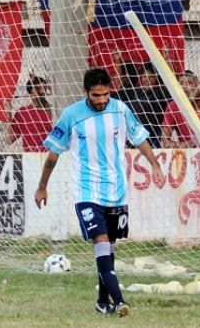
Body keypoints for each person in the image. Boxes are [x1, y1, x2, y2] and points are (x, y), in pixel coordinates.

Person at [35, 68, 164, 318]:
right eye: (96, 95)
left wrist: (155, 164)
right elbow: (53, 154)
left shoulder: (120, 109)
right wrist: (42, 186)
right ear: (87, 92)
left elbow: (139, 138)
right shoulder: (71, 115)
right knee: (102, 241)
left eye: (105, 94)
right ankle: (119, 301)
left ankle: (101, 301)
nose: (102, 99)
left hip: (116, 190)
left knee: (109, 248)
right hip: (86, 191)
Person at [160, 70, 200, 148]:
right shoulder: (173, 106)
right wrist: (186, 144)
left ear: (197, 84)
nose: (184, 87)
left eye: (189, 83)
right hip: (191, 152)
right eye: (181, 84)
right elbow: (165, 142)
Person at [6, 74, 53, 152]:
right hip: (31, 158)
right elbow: (9, 140)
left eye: (43, 88)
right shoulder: (23, 113)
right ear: (30, 94)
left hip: (51, 156)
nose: (42, 91)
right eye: (38, 88)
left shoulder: (53, 110)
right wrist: (9, 117)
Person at [128, 63, 170, 148]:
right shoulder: (137, 92)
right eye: (144, 76)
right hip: (136, 137)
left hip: (155, 138)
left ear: (157, 78)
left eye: (151, 76)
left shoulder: (163, 92)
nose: (146, 79)